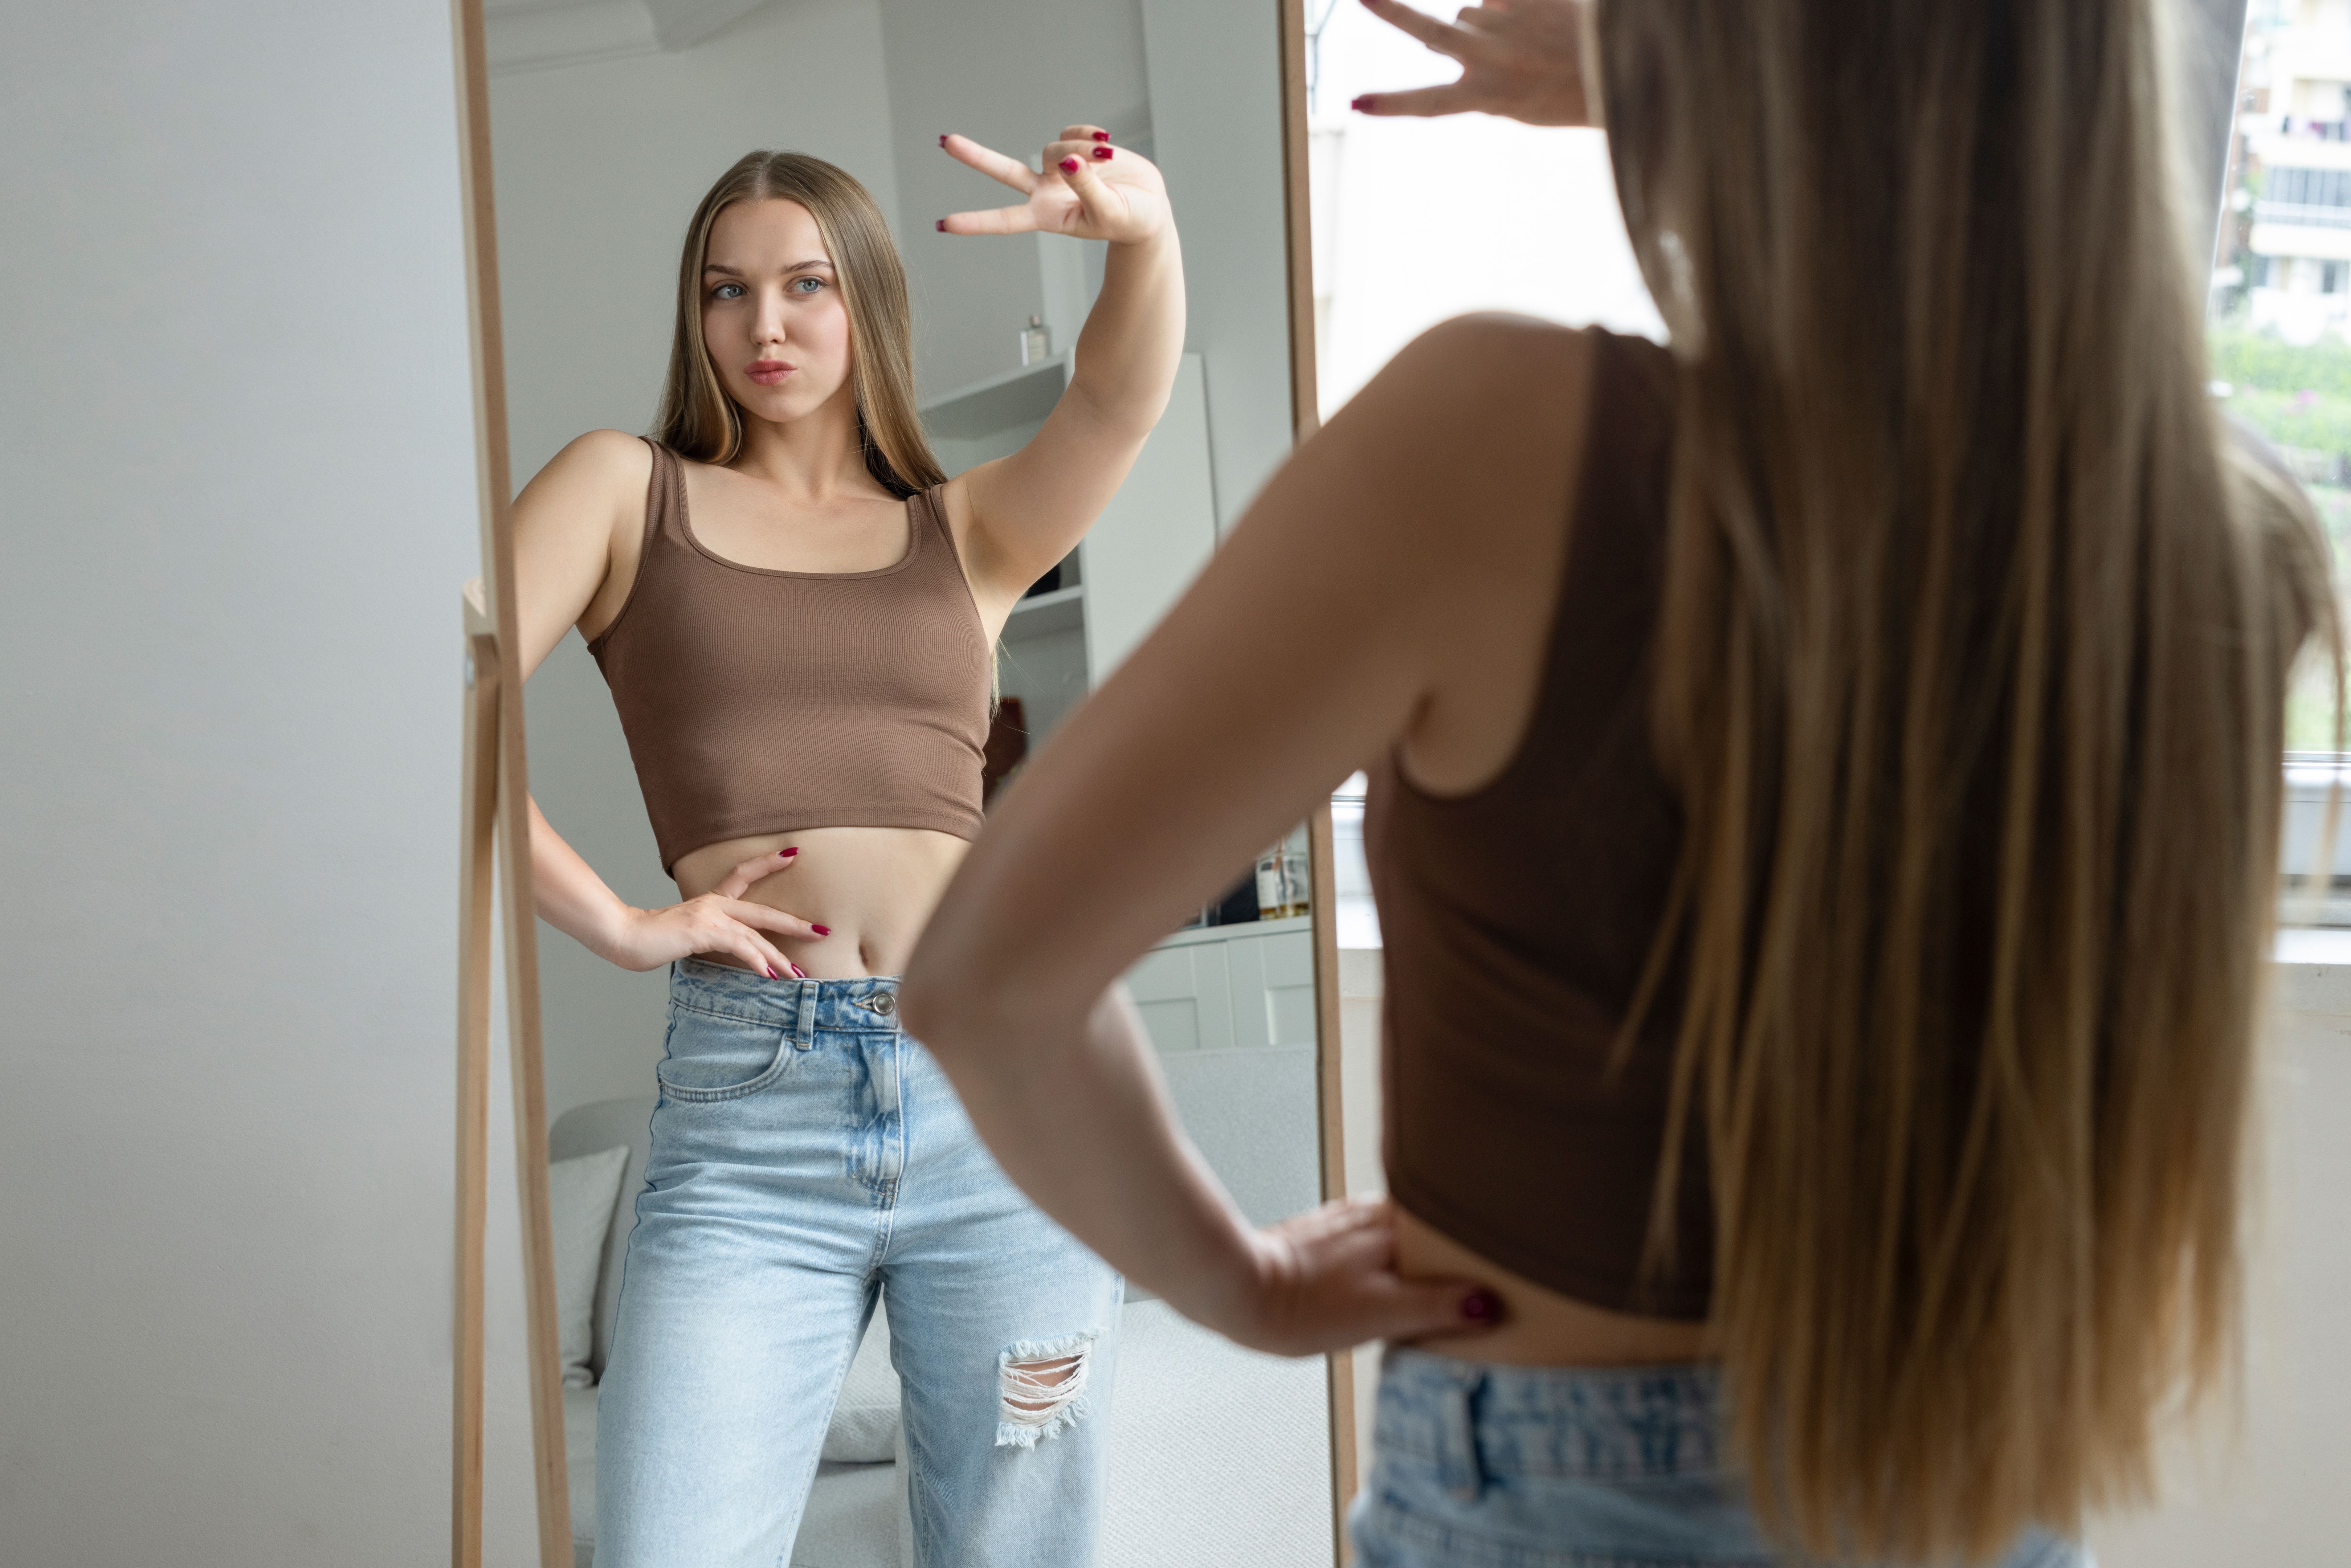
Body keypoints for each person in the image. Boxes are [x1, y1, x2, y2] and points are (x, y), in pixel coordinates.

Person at [899, 3, 2338, 1565]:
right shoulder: (2223, 540)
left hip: (1571, 1503)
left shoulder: (1504, 440)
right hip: (1976, 1483)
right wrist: (1719, 74)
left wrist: (1243, 1286)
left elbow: (989, 979)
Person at [510, 129, 1181, 1567]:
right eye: (725, 290)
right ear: (693, 317)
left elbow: (1122, 399)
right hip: (752, 1110)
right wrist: (622, 924)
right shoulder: (627, 491)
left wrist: (1143, 234)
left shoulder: (968, 530)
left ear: (864, 301)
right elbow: (431, 700)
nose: (764, 324)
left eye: (806, 285)